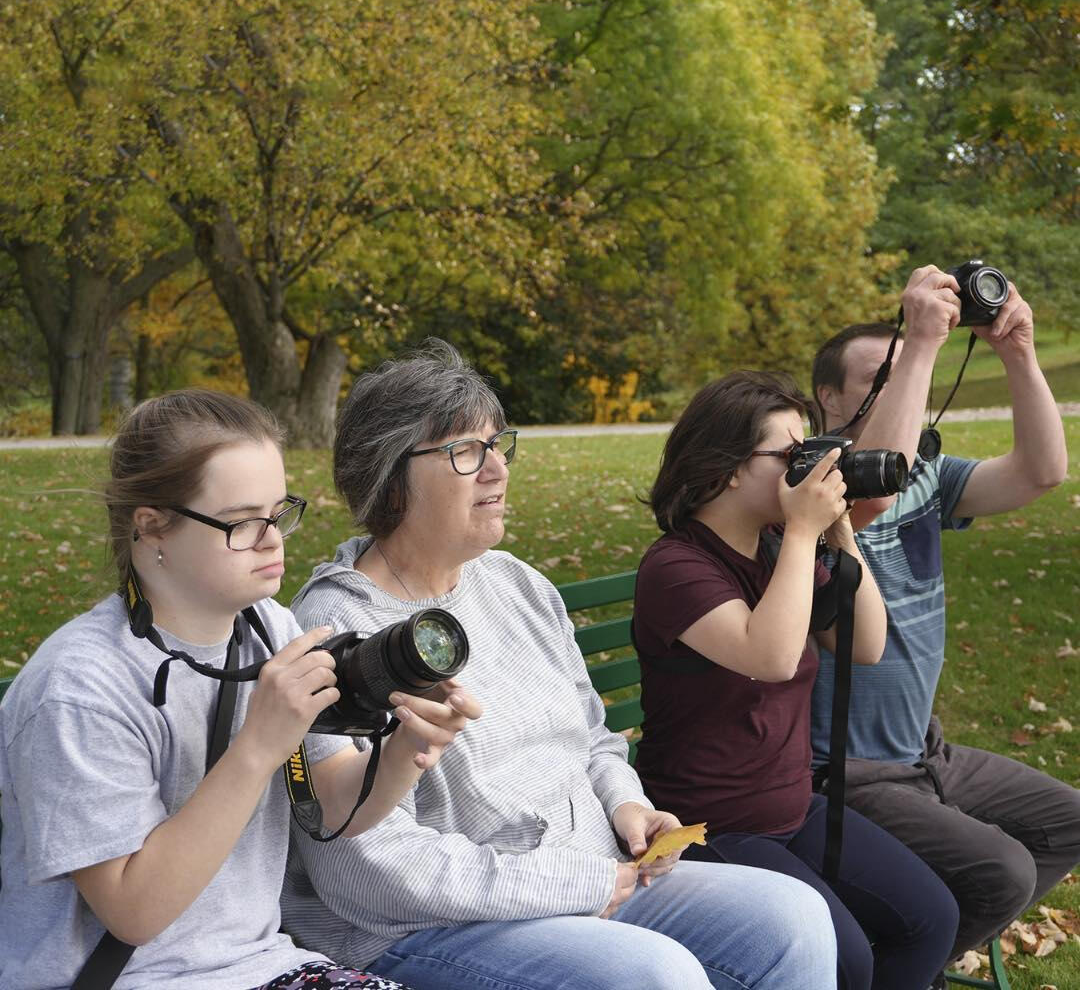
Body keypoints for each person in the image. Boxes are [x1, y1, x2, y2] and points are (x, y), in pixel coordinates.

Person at [282, 339, 839, 990]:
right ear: (389, 475)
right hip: (429, 926)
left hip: (595, 872)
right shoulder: (336, 634)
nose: (498, 471)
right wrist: (572, 882)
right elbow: (366, 869)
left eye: (498, 445)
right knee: (653, 976)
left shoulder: (514, 583)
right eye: (466, 452)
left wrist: (627, 805)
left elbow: (593, 739)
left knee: (793, 917)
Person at [0, 389, 480, 990]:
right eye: (243, 522)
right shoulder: (80, 688)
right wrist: (257, 747)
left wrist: (409, 746)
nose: (273, 539)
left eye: (278, 513)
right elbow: (132, 912)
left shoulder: (269, 629)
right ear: (152, 528)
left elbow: (335, 805)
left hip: (261, 966)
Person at [632, 370, 959, 990]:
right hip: (711, 825)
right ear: (730, 468)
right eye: (790, 457)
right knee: (847, 959)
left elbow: (865, 644)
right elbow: (773, 657)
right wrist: (804, 534)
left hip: (792, 806)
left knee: (930, 919)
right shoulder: (677, 566)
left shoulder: (776, 548)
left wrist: (839, 533)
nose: (808, 470)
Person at [810, 264, 1079, 964]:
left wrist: (1018, 352)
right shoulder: (808, 483)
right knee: (1002, 872)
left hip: (921, 751)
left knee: (1067, 822)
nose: (901, 383)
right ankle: (896, 964)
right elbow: (871, 492)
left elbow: (1041, 473)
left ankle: (908, 953)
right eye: (879, 376)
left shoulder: (927, 474)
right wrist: (922, 344)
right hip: (840, 769)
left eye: (905, 371)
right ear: (827, 396)